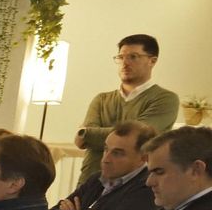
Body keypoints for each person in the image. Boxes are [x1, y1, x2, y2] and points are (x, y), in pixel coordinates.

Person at [75, 34, 180, 180]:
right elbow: (82, 140)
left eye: (133, 57)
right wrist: (87, 136)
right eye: (121, 57)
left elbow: (136, 138)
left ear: (152, 61)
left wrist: (88, 134)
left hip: (134, 185)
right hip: (91, 179)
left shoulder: (165, 99)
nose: (125, 63)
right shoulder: (101, 99)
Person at [51, 121, 157, 210]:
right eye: (106, 149)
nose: (106, 159)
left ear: (143, 158)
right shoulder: (96, 180)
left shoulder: (147, 188)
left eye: (117, 153)